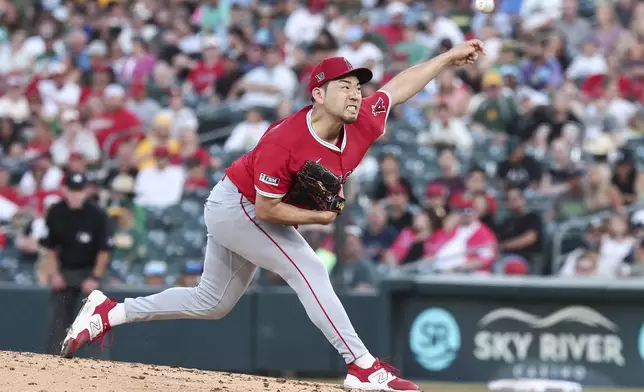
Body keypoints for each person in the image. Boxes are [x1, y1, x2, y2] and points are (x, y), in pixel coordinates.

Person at [60, 40, 485, 391]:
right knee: (309, 268)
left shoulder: (362, 121)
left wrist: (447, 57)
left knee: (212, 302)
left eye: (358, 86)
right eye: (346, 86)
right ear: (318, 94)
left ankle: (109, 312)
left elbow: (398, 87)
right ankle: (362, 366)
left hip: (247, 209)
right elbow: (266, 209)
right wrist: (318, 220)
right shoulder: (285, 140)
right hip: (237, 206)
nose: (357, 93)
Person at [40, 172, 112, 355]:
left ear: (86, 191)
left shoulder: (97, 215)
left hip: (88, 271)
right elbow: (50, 248)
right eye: (72, 190)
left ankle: (97, 362)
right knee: (58, 321)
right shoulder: (56, 212)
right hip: (64, 271)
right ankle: (53, 360)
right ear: (64, 190)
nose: (75, 195)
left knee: (94, 318)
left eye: (79, 190)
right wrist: (54, 274)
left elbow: (104, 251)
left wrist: (95, 277)